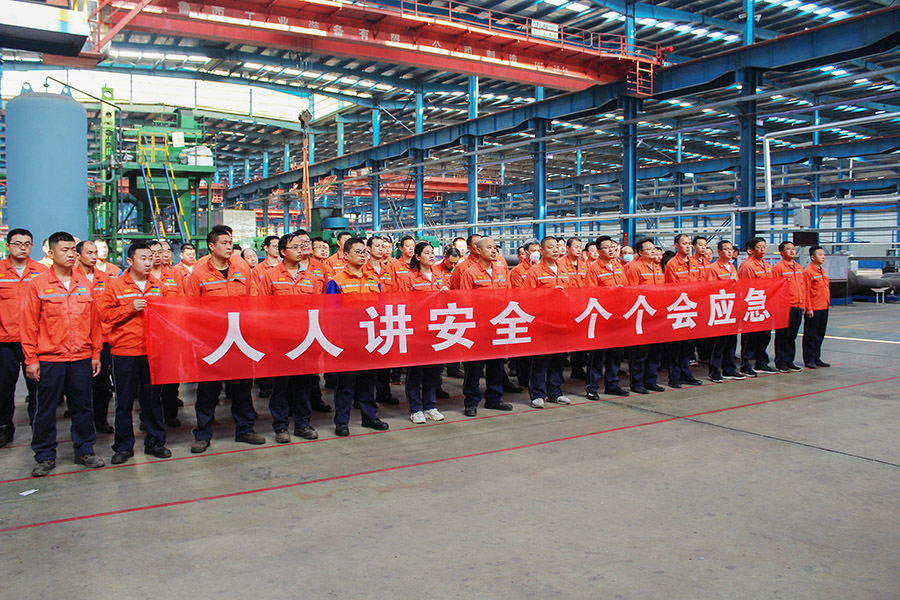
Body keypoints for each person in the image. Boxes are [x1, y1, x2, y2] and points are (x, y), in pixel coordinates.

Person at [22, 231, 105, 477]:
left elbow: (94, 323)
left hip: (81, 357)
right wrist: (31, 359)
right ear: (51, 253)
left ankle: (84, 450)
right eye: (64, 250)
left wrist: (95, 354)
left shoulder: (84, 284)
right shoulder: (38, 285)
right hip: (50, 359)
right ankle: (45, 455)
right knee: (46, 409)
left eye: (72, 250)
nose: (71, 255)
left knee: (83, 407)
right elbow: (29, 325)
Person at [183, 226, 266, 453]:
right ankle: (203, 435)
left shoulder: (242, 269)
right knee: (208, 390)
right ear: (211, 246)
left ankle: (245, 429)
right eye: (224, 243)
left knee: (242, 388)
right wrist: (197, 343)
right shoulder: (199, 275)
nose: (229, 247)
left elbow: (253, 300)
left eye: (231, 243)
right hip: (212, 343)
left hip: (239, 340)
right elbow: (191, 310)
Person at [98, 241, 171, 464]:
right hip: (125, 352)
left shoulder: (159, 286)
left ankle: (155, 442)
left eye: (150, 258)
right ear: (130, 261)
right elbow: (104, 315)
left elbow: (169, 318)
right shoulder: (115, 286)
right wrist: (129, 309)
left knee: (152, 400)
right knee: (124, 402)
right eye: (143, 258)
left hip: (152, 352)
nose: (148, 262)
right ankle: (123, 446)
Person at [257, 230, 325, 442]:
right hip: (279, 342)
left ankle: (303, 424)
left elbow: (316, 309)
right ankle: (280, 426)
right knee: (281, 386)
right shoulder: (270, 276)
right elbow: (262, 309)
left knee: (303, 385)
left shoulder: (310, 278)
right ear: (282, 252)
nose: (299, 251)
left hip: (304, 340)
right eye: (294, 247)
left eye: (301, 247)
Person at [325, 237, 389, 436]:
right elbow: (330, 315)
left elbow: (380, 309)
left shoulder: (373, 279)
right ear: (345, 255)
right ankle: (341, 421)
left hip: (369, 339)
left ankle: (370, 417)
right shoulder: (336, 282)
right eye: (358, 252)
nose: (363, 256)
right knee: (345, 384)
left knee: (368, 381)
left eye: (364, 252)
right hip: (347, 341)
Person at [0, 228, 45, 447]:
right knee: (4, 388)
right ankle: (4, 427)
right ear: (8, 246)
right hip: (5, 342)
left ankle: (39, 427)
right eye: (17, 244)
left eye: (27, 244)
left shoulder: (41, 272)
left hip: (35, 342)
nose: (22, 248)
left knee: (37, 388)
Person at [460, 237, 513, 417]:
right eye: (489, 247)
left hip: (497, 325)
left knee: (496, 365)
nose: (493, 250)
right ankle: (471, 401)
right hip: (478, 327)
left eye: (495, 247)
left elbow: (508, 296)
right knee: (474, 367)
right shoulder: (470, 273)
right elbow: (465, 301)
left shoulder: (501, 271)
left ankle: (494, 398)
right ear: (478, 250)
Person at [399, 241, 448, 424]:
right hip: (417, 330)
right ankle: (415, 408)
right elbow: (403, 304)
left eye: (432, 252)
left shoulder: (440, 276)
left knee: (434, 371)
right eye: (427, 253)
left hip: (437, 330)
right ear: (418, 257)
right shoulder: (410, 279)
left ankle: (430, 405)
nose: (431, 255)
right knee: (416, 372)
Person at [524, 236, 572, 409]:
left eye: (557, 246)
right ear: (542, 251)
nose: (555, 250)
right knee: (541, 360)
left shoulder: (564, 269)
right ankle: (537, 394)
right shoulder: (535, 271)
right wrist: (549, 293)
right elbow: (528, 297)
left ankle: (555, 392)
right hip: (543, 322)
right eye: (550, 247)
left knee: (558, 359)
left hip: (561, 320)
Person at [75, 240, 115, 434]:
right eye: (89, 253)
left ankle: (100, 419)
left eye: (94, 253)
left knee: (101, 382)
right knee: (80, 384)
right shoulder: (72, 279)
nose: (93, 256)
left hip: (103, 338)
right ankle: (81, 422)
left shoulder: (104, 278)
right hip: (79, 339)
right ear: (78, 255)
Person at [583, 235, 629, 399]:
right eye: (606, 247)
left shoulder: (618, 266)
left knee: (615, 354)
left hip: (618, 317)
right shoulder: (594, 269)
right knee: (597, 356)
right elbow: (591, 294)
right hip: (601, 319)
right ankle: (592, 387)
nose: (611, 250)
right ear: (598, 250)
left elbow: (626, 288)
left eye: (612, 247)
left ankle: (612, 384)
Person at [625, 238, 666, 394]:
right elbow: (631, 292)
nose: (653, 251)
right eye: (649, 249)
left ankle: (651, 380)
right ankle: (636, 382)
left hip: (657, 314)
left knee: (654, 351)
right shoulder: (635, 268)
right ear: (640, 253)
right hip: (641, 315)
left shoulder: (657, 267)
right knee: (640, 352)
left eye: (654, 248)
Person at [663, 234, 703, 388]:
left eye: (689, 243)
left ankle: (686, 374)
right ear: (676, 245)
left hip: (692, 309)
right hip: (679, 309)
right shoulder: (672, 264)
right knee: (676, 346)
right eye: (684, 243)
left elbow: (701, 283)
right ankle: (674, 377)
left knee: (688, 345)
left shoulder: (695, 263)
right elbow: (671, 288)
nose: (687, 246)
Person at [706, 240, 745, 382]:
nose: (730, 252)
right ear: (719, 252)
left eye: (731, 249)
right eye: (726, 249)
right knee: (719, 342)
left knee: (731, 341)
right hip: (720, 309)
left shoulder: (732, 267)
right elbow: (709, 288)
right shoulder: (714, 268)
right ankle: (714, 370)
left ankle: (729, 369)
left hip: (732, 308)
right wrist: (726, 282)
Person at [738, 237, 775, 377]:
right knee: (750, 337)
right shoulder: (748, 265)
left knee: (764, 336)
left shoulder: (766, 265)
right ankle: (745, 365)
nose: (763, 249)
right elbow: (747, 287)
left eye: (764, 246)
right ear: (751, 250)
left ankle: (761, 363)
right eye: (759, 247)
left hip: (765, 305)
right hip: (752, 305)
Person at [772, 241, 806, 373]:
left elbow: (801, 286)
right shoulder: (778, 268)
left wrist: (803, 304)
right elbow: (774, 288)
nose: (792, 251)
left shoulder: (798, 267)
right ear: (782, 252)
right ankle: (781, 362)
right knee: (783, 335)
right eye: (788, 249)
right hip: (785, 307)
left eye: (793, 249)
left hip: (797, 305)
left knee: (792, 335)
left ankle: (789, 361)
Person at [803, 246, 831, 369]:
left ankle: (816, 357)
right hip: (814, 308)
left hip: (824, 306)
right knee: (811, 335)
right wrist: (808, 308)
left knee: (820, 334)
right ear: (812, 257)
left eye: (824, 255)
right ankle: (809, 359)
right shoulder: (808, 272)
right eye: (820, 255)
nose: (823, 257)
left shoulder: (822, 270)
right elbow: (806, 291)